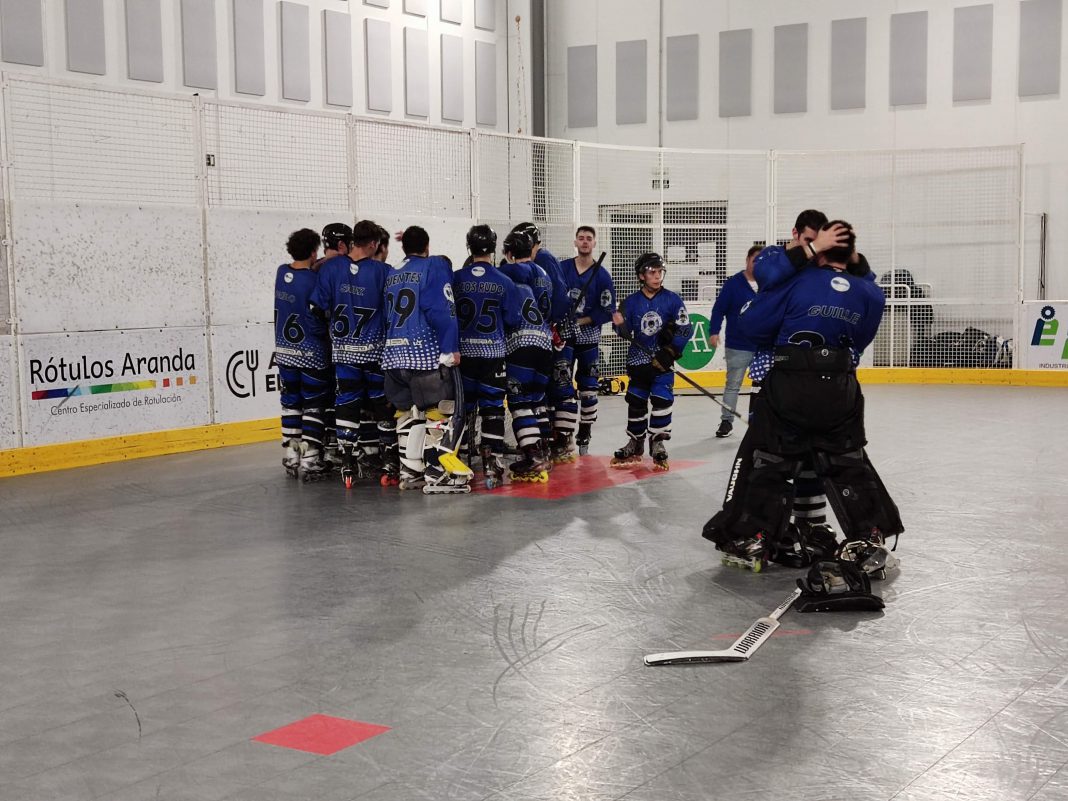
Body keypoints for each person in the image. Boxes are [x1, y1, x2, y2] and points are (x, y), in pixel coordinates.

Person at [701, 222, 903, 610]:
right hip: (840, 386)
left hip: (790, 383)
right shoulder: (869, 292)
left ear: (821, 249)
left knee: (770, 460)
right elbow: (862, 338)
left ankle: (752, 537)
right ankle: (867, 537)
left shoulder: (796, 281)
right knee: (846, 462)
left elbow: (753, 324)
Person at [381, 226, 471, 494]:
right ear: (427, 246)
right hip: (425, 357)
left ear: (404, 247)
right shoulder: (433, 267)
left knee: (407, 414)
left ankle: (410, 471)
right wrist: (448, 349)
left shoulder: (393, 273)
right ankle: (437, 471)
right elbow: (441, 310)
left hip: (394, 357)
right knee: (438, 410)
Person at [310, 220, 396, 488]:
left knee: (346, 403)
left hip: (344, 354)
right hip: (374, 354)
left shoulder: (330, 268)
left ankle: (347, 458)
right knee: (382, 405)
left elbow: (316, 307)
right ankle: (390, 459)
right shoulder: (383, 271)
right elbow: (394, 311)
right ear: (373, 244)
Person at [453, 225, 523, 489]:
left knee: (464, 409)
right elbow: (514, 319)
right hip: (493, 354)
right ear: (493, 248)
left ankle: (459, 459)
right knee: (493, 408)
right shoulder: (504, 280)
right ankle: (491, 461)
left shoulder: (456, 278)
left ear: (469, 247)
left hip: (463, 356)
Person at [611, 253, 693, 471]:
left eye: (660, 272)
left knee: (662, 399)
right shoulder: (630, 302)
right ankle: (635, 442)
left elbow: (686, 328)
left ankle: (657, 441)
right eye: (652, 272)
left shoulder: (673, 300)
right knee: (636, 402)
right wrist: (620, 325)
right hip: (638, 362)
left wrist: (671, 351)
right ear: (641, 276)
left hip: (662, 363)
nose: (657, 276)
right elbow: (623, 333)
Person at [511, 222, 579, 463]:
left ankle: (563, 439)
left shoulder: (544, 258)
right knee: (543, 388)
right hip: (547, 331)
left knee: (560, 384)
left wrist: (554, 325)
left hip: (557, 330)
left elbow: (559, 297)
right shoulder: (536, 261)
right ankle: (547, 439)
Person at [273, 228, 331, 479]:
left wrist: (316, 261)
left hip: (284, 352)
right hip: (311, 352)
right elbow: (318, 311)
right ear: (313, 251)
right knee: (314, 406)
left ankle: (291, 455)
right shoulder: (314, 281)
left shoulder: (281, 272)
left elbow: (301, 270)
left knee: (291, 403)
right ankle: (310, 458)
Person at [500, 228, 555, 482]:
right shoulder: (541, 273)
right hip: (545, 341)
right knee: (537, 400)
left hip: (522, 343)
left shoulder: (508, 272)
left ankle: (532, 457)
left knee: (520, 403)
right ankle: (544, 450)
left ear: (509, 254)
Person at [558, 225, 616, 455]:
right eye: (581, 238)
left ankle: (585, 429)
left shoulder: (602, 275)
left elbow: (607, 308)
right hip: (564, 337)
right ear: (575, 242)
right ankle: (563, 435)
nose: (584, 242)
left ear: (594, 244)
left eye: (588, 239)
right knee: (562, 383)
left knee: (589, 388)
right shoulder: (562, 269)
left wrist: (583, 321)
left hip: (589, 338)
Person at [709, 244, 762, 438]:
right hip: (738, 345)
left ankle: (759, 420)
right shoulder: (733, 284)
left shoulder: (770, 284)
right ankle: (726, 421)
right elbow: (718, 309)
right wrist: (714, 331)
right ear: (747, 260)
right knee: (733, 385)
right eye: (754, 260)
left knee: (762, 386)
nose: (757, 265)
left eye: (761, 261)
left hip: (762, 346)